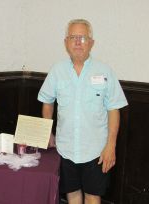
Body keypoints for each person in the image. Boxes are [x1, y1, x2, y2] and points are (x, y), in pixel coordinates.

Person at [38, 19, 128, 204]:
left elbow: (114, 109)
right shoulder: (57, 71)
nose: (78, 42)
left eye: (83, 38)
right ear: (66, 42)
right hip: (66, 148)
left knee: (93, 196)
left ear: (91, 42)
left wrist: (111, 146)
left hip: (96, 150)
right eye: (73, 37)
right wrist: (48, 131)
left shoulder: (105, 71)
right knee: (72, 194)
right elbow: (47, 102)